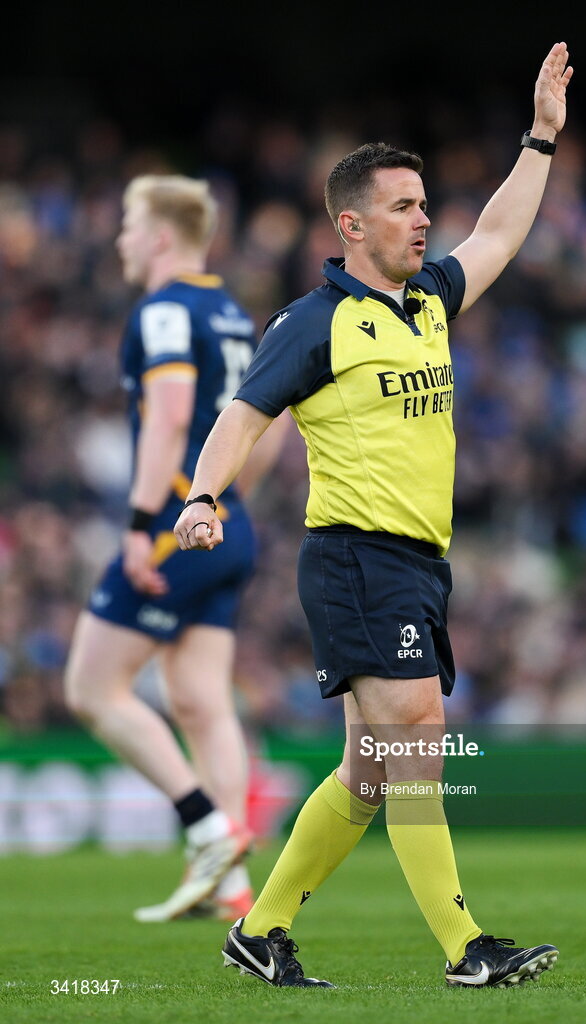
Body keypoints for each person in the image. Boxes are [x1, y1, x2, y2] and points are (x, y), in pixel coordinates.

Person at [175, 41, 572, 988]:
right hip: (355, 558)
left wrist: (541, 139)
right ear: (351, 224)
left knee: (366, 774)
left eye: (425, 205)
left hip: (417, 565)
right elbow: (244, 411)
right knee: (417, 739)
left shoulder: (427, 300)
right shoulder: (315, 322)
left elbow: (501, 237)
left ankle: (259, 929)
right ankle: (467, 949)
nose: (424, 222)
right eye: (403, 207)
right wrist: (202, 494)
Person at [65, 174, 289, 923]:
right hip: (230, 522)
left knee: (92, 689)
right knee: (200, 701)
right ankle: (228, 886)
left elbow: (165, 416)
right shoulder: (230, 313)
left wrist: (138, 525)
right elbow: (272, 419)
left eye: (129, 227)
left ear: (160, 235)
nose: (122, 241)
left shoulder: (162, 311)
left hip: (171, 524)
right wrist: (224, 496)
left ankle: (206, 824)